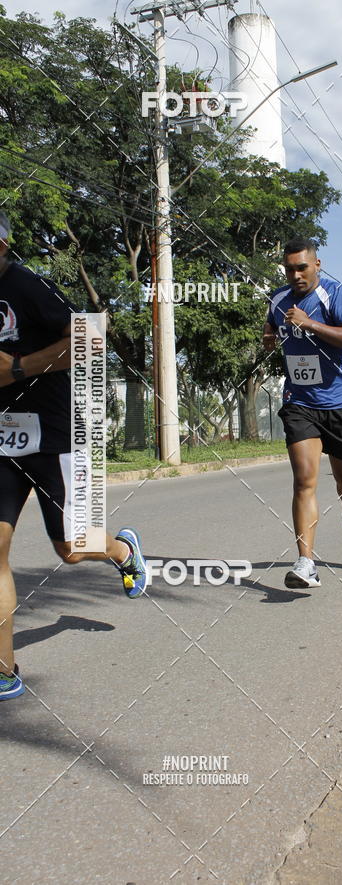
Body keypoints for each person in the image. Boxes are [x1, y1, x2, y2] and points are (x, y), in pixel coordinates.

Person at [0, 213, 147, 701]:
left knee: (71, 548)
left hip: (57, 434)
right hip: (2, 440)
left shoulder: (28, 287)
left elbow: (91, 339)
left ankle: (122, 552)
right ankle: (4, 670)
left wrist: (19, 368)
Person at [263, 237, 342, 589]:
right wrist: (269, 335)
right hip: (299, 401)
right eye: (289, 269)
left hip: (339, 402)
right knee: (304, 480)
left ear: (317, 265)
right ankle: (306, 563)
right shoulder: (278, 299)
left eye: (302, 268)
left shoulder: (336, 295)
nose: (295, 275)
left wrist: (310, 324)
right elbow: (271, 323)